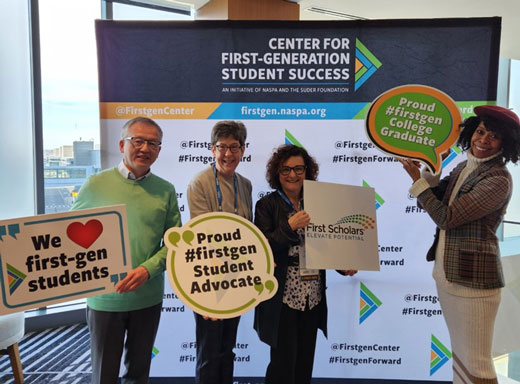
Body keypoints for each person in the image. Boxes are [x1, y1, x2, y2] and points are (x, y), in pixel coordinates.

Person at [400, 105, 520, 384]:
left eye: (493, 137)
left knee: (476, 363)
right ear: (470, 132)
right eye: (480, 132)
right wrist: (428, 176)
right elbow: (434, 200)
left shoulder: (498, 179)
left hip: (474, 282)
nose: (482, 140)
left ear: (506, 144)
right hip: (448, 275)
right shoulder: (464, 166)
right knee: (461, 357)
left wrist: (418, 184)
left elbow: (446, 217)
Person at [72, 116, 182, 384]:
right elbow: (69, 236)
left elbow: (176, 242)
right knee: (104, 374)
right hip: (103, 299)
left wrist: (148, 269)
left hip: (148, 297)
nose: (145, 148)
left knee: (138, 372)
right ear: (122, 144)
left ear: (159, 150)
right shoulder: (95, 185)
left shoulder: (166, 190)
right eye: (138, 141)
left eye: (153, 143)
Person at [253, 144, 357, 384]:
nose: (292, 175)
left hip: (313, 294)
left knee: (304, 362)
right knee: (282, 364)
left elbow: (329, 242)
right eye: (286, 169)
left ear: (308, 172)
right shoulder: (266, 205)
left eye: (299, 169)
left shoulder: (319, 201)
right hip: (282, 295)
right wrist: (289, 227)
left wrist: (343, 266)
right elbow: (261, 248)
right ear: (276, 173)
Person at [186, 120, 252, 384]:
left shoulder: (244, 184)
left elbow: (249, 232)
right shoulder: (200, 182)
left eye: (234, 147)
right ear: (212, 150)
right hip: (209, 278)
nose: (228, 154)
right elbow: (203, 236)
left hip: (237, 277)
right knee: (209, 350)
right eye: (222, 147)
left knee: (227, 348)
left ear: (243, 150)